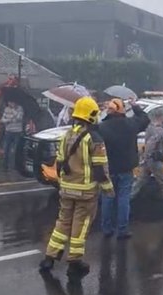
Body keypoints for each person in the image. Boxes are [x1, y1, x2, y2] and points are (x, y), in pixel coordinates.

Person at [39, 96, 114, 279]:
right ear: (92, 115)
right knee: (80, 226)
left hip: (66, 189)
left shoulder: (67, 135)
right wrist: (108, 188)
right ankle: (74, 262)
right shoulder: (94, 138)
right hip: (85, 191)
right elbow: (100, 167)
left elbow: (59, 160)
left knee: (62, 223)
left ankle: (50, 257)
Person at [98, 98, 150, 239]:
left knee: (107, 198)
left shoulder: (102, 127)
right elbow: (145, 119)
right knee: (123, 199)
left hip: (108, 169)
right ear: (122, 110)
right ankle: (122, 229)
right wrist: (135, 106)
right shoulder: (130, 124)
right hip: (126, 168)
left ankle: (107, 228)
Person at [131, 110, 163, 211]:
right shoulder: (158, 129)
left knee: (140, 181)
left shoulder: (150, 127)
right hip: (155, 159)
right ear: (161, 117)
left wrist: (145, 157)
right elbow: (151, 143)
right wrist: (148, 155)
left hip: (149, 159)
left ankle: (127, 199)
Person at [0, 101, 24, 171]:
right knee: (6, 148)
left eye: (11, 102)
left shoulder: (20, 108)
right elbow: (2, 119)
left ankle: (15, 166)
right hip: (8, 131)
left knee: (16, 149)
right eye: (9, 102)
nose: (10, 104)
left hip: (17, 131)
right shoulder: (6, 109)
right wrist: (9, 120)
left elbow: (19, 118)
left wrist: (13, 110)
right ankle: (5, 165)